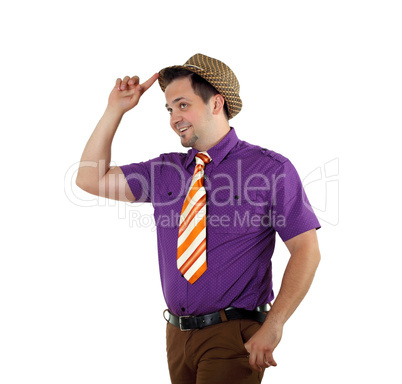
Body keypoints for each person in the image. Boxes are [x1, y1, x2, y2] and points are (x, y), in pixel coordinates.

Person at [76, 53, 321, 384]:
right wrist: (114, 111)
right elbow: (90, 179)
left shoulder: (269, 170)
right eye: (169, 109)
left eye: (182, 104)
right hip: (177, 336)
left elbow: (307, 249)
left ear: (216, 103)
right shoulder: (166, 170)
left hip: (233, 335)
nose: (174, 117)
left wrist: (275, 324)